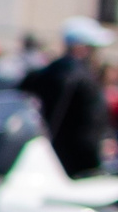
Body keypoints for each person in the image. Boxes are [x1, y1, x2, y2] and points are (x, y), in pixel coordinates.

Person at [21, 18, 114, 178]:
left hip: (49, 158)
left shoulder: (45, 73)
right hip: (75, 164)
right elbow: (86, 127)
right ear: (81, 48)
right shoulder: (78, 78)